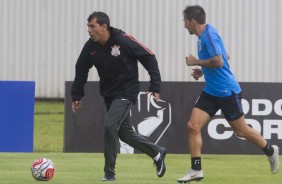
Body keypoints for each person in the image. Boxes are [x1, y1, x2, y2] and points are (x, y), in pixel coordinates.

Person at [177, 5, 280, 183]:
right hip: (211, 90)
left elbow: (219, 61)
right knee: (192, 126)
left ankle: (270, 151)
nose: (184, 24)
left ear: (193, 21)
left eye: (185, 21)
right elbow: (226, 57)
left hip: (226, 91)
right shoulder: (204, 35)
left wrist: (196, 61)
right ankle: (196, 169)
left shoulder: (209, 35)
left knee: (241, 131)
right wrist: (202, 70)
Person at [71, 11, 166, 181]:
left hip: (126, 91)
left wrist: (155, 85)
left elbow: (149, 56)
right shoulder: (90, 47)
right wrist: (76, 95)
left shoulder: (123, 40)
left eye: (92, 26)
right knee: (126, 135)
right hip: (109, 94)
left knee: (109, 127)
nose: (88, 30)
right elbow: (81, 69)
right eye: (88, 26)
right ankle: (157, 152)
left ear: (104, 26)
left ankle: (109, 173)